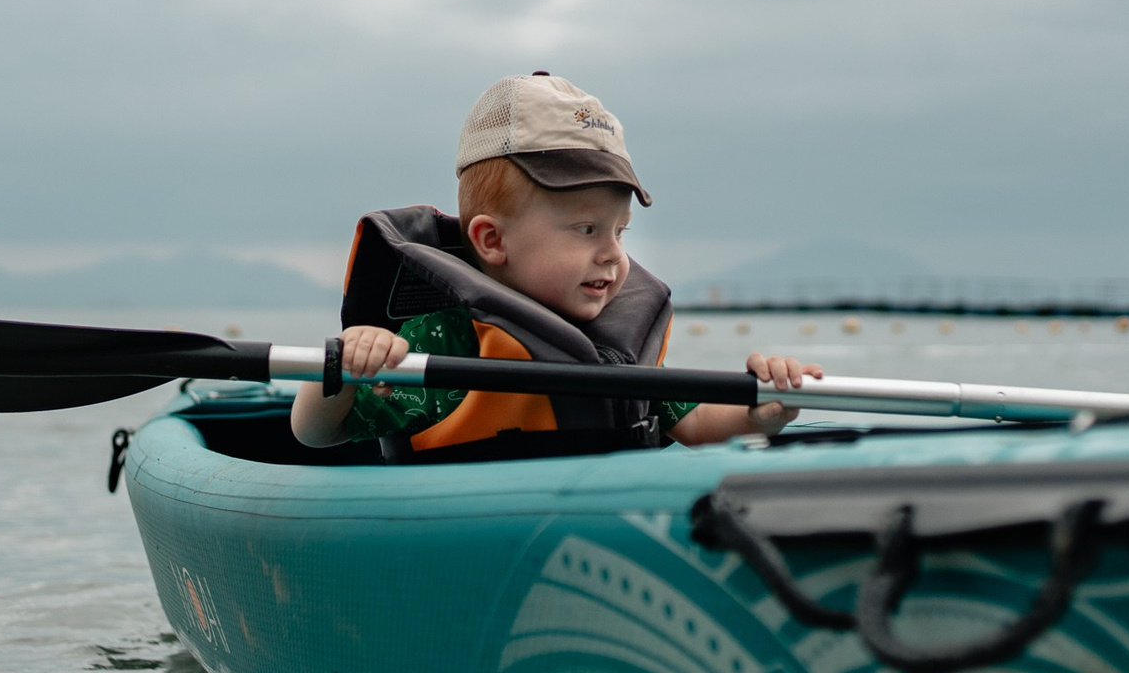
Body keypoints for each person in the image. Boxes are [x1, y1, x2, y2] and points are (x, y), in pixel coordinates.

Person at [292, 73, 820, 457]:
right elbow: (316, 432)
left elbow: (699, 425)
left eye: (619, 232)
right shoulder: (443, 339)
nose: (613, 253)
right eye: (586, 230)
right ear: (492, 240)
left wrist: (762, 409)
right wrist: (343, 364)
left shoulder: (619, 344)